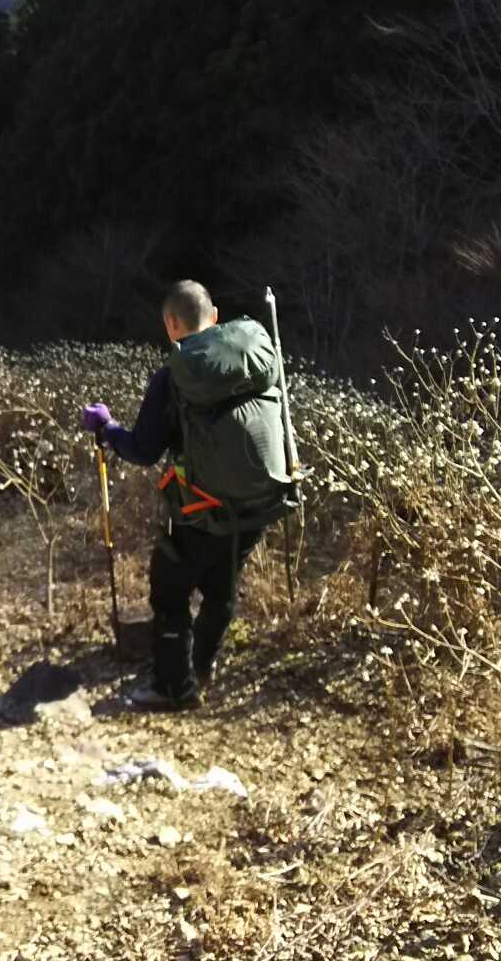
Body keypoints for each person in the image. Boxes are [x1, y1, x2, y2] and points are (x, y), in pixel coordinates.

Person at [82, 281, 296, 708]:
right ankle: (201, 665)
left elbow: (143, 450)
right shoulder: (256, 356)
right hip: (260, 504)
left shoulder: (174, 377)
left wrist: (107, 429)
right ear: (214, 317)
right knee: (222, 587)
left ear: (170, 323)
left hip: (199, 512)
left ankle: (173, 688)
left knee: (169, 593)